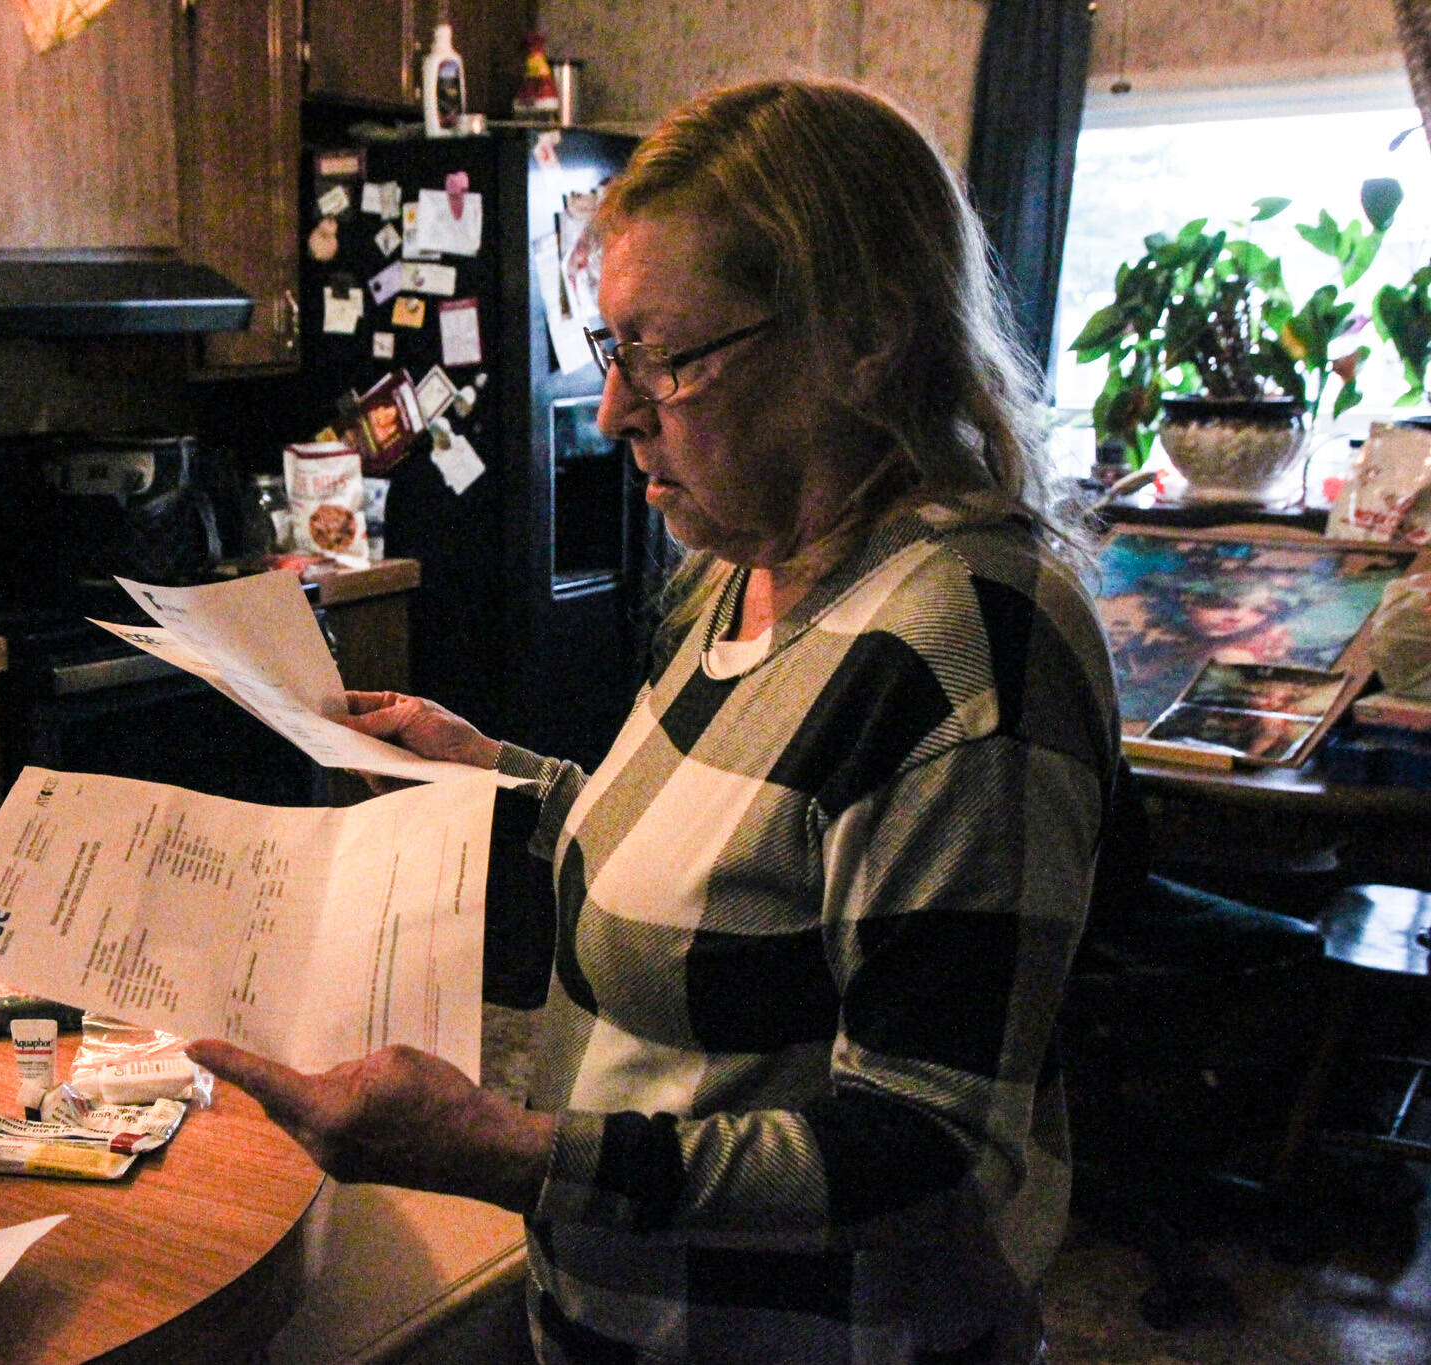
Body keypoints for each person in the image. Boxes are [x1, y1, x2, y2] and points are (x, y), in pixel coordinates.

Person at [188, 77, 1119, 1365]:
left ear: (867, 339)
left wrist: (503, 1153)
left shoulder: (966, 652)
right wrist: (493, 776)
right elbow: (734, 874)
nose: (619, 410)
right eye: (611, 351)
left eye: (666, 357)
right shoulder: (758, 565)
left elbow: (933, 1162)